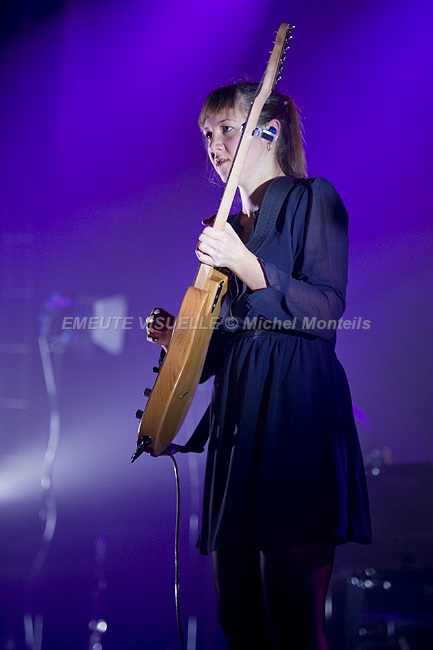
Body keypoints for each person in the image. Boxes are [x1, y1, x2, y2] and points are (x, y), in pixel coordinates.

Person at [145, 81, 371, 650]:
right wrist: (181, 342)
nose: (214, 145)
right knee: (239, 619)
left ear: (268, 131)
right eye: (207, 134)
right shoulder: (226, 230)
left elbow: (325, 311)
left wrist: (246, 266)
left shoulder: (313, 198)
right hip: (239, 425)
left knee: (294, 619)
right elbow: (226, 348)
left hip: (295, 413)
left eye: (227, 128)